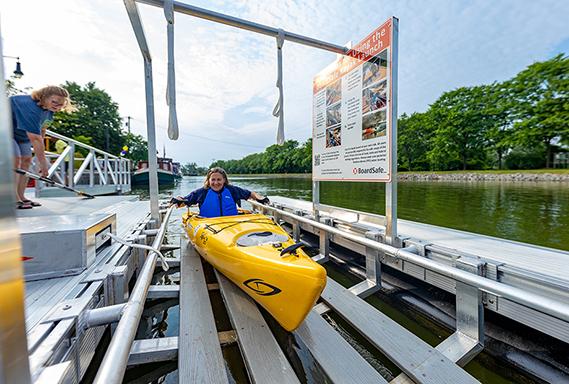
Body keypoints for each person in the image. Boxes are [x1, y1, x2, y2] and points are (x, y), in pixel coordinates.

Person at [11, 85, 74, 209]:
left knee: (27, 160)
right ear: (43, 97)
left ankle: (21, 195)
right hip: (5, 131)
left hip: (21, 135)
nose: (57, 106)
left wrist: (39, 157)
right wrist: (43, 164)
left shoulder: (49, 111)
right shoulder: (29, 106)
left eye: (61, 104)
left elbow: (42, 131)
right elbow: (35, 138)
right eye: (54, 102)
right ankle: (12, 197)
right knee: (16, 159)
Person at [171, 167, 269, 217]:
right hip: (209, 225)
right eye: (213, 180)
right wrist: (178, 200)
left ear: (224, 180)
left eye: (219, 179)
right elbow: (185, 200)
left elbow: (250, 194)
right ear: (208, 181)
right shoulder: (201, 192)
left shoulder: (232, 190)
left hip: (231, 223)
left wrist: (260, 198)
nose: (216, 183)